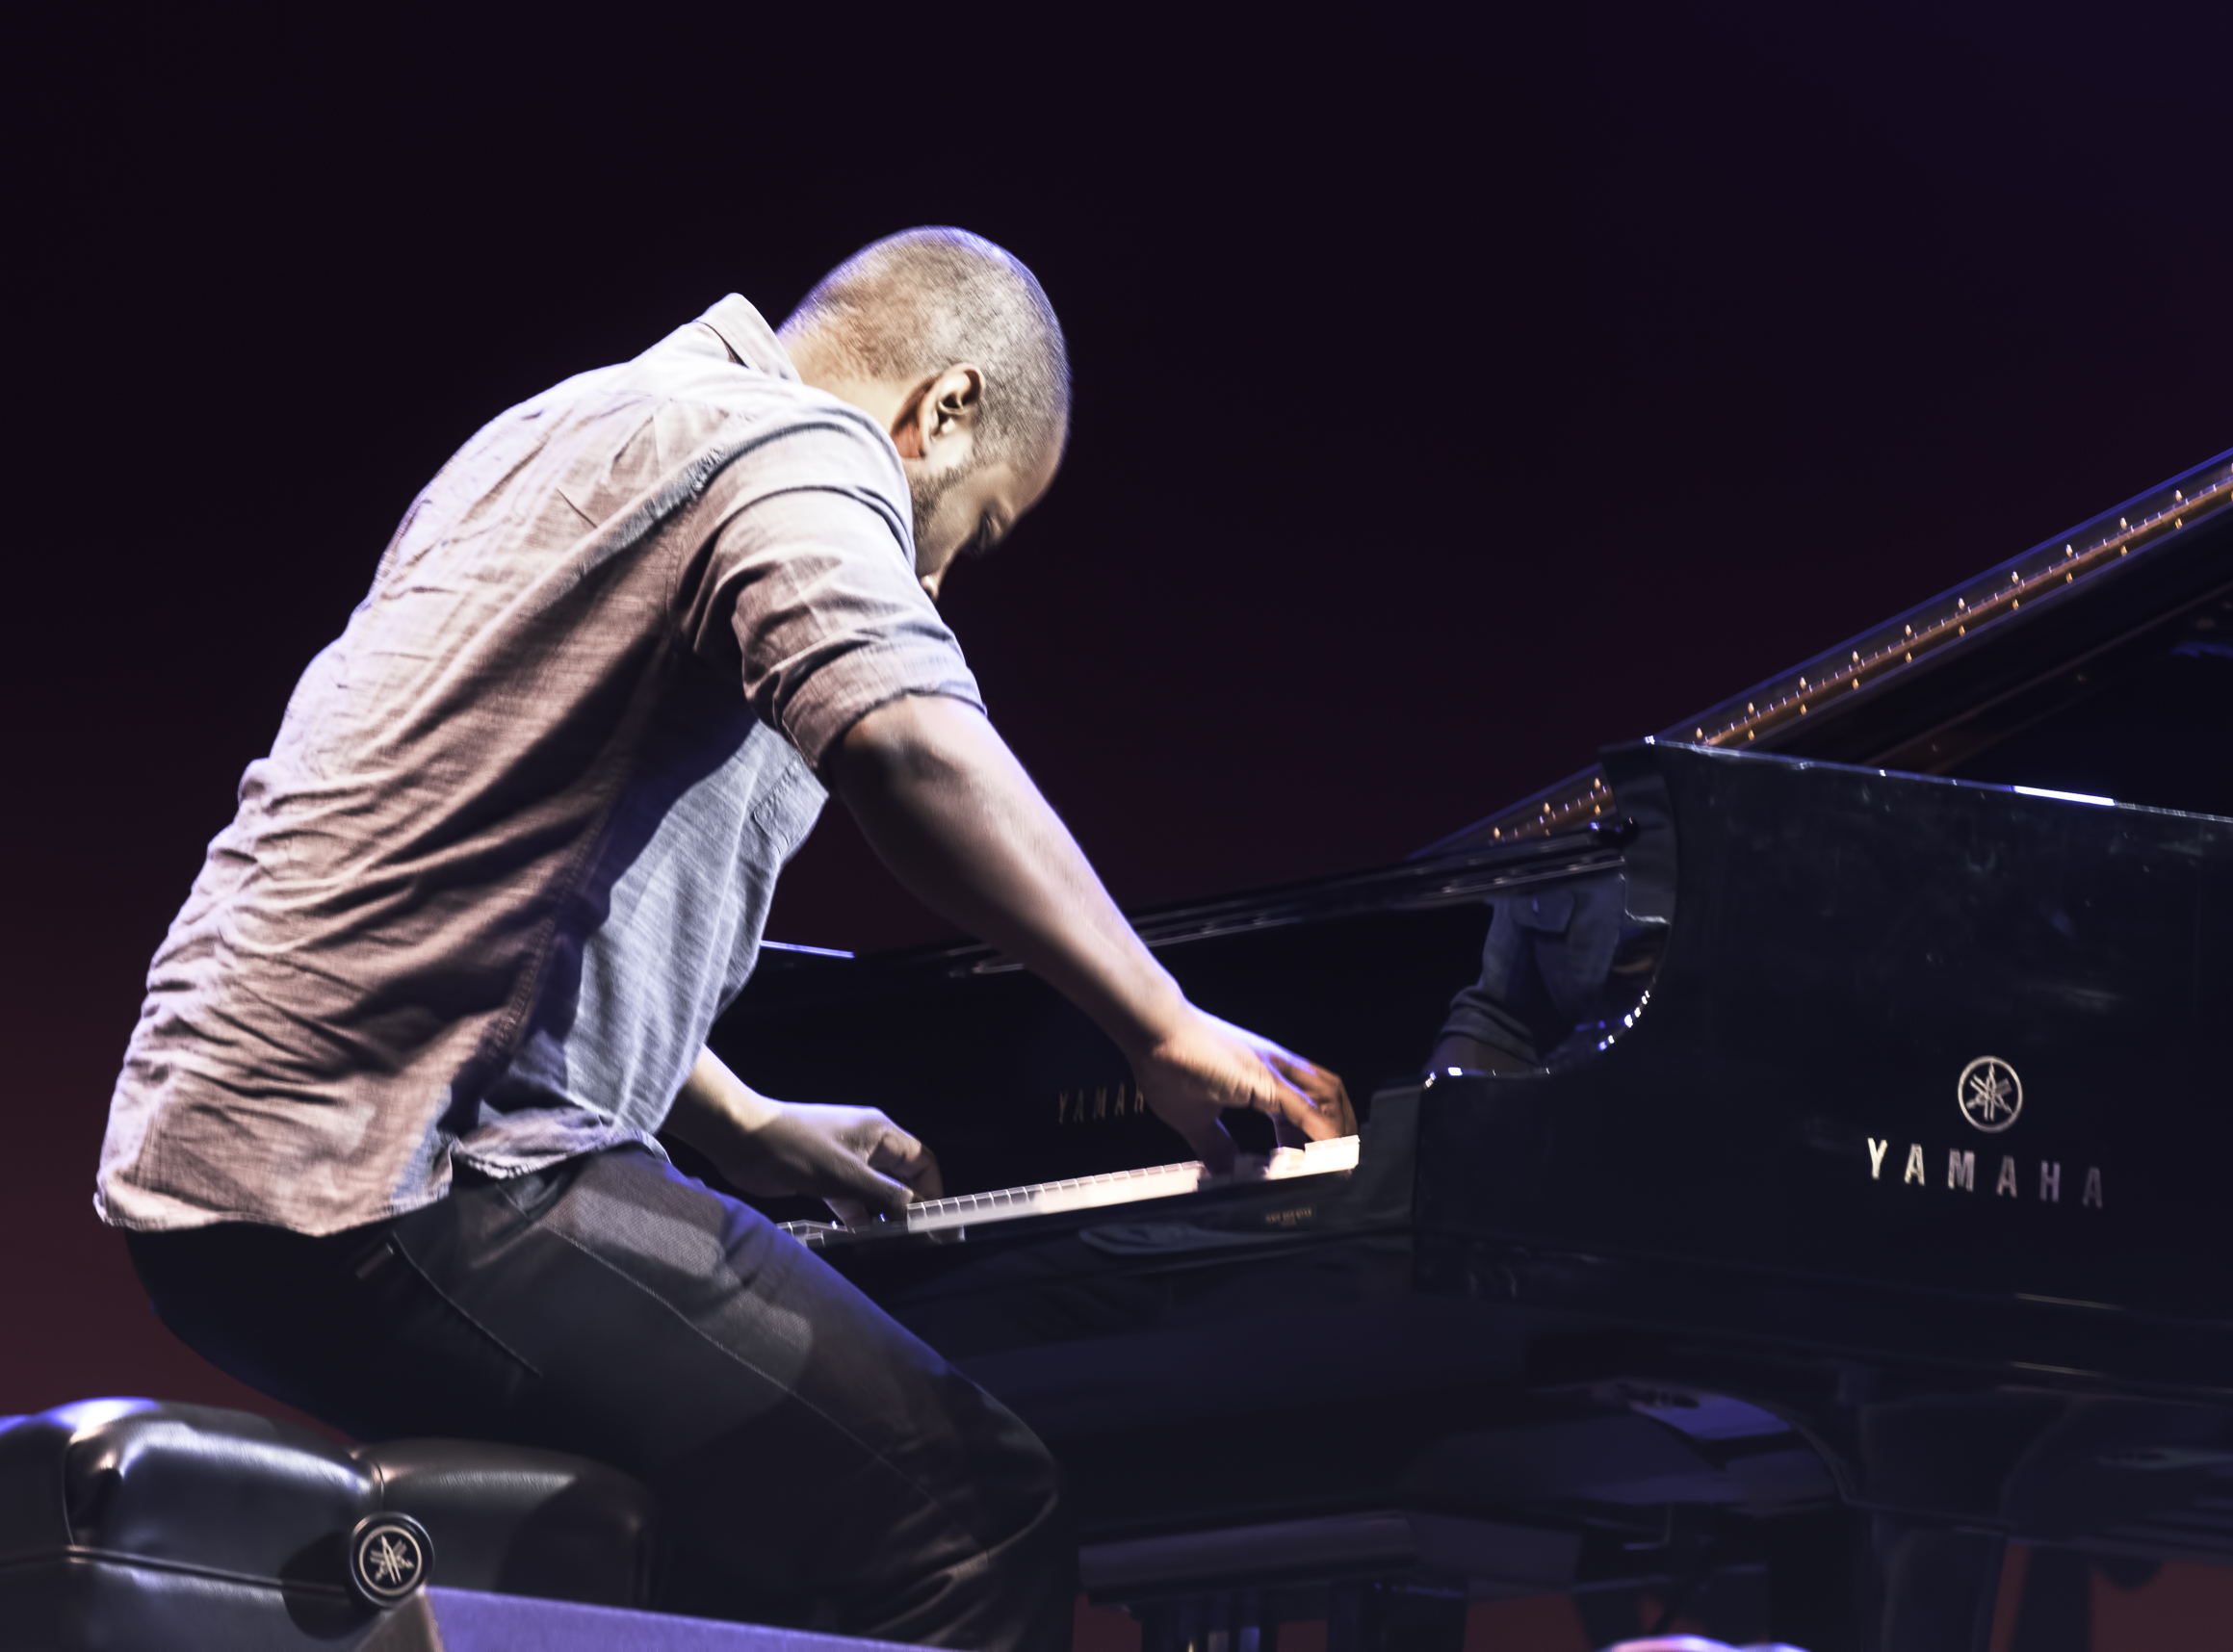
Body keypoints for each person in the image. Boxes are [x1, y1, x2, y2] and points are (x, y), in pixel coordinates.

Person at [94, 227, 1352, 1650]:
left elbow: (472, 858)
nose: (937, 583)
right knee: (969, 1510)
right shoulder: (800, 454)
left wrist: (739, 1118)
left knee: (753, 1528)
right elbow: (909, 746)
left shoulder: (562, 430)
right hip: (401, 1176)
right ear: (940, 410)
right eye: (974, 532)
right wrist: (1161, 1026)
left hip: (220, 1165)